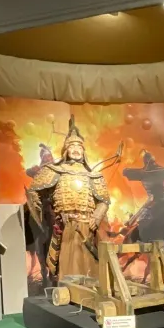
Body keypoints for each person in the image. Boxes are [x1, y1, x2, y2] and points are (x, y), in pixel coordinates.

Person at [26, 115, 110, 282]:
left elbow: (104, 200)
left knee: (89, 261)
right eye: (72, 146)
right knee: (67, 260)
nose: (76, 150)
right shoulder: (54, 171)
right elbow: (33, 191)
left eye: (79, 146)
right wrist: (39, 210)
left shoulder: (93, 175)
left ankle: (91, 287)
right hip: (66, 225)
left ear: (84, 151)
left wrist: (96, 217)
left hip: (87, 225)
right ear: (66, 150)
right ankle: (68, 288)